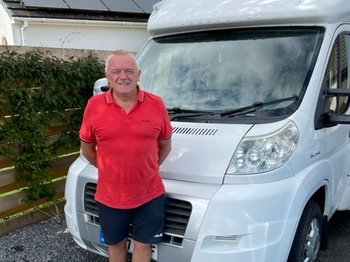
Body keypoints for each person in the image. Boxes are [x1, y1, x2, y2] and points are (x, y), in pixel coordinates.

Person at [79, 49, 172, 262]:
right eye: (116, 71)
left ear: (139, 74)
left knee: (143, 247)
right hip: (110, 197)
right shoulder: (94, 106)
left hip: (150, 195)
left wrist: (148, 169)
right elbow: (87, 149)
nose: (123, 76)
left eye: (129, 71)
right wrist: (108, 170)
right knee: (116, 248)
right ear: (108, 76)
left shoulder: (156, 104)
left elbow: (165, 145)